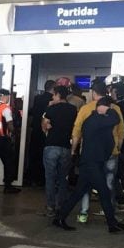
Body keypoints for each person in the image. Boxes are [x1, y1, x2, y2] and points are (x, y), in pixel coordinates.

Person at [53, 97, 124, 233]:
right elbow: (115, 119)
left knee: (78, 192)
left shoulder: (96, 120)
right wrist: (109, 109)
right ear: (102, 108)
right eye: (108, 108)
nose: (110, 111)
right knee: (104, 192)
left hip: (92, 162)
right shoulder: (96, 120)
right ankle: (112, 224)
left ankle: (59, 218)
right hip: (92, 163)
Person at [71, 79, 124, 223]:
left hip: (90, 153)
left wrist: (73, 150)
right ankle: (109, 214)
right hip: (110, 152)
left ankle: (83, 213)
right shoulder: (115, 109)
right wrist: (118, 147)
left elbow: (76, 131)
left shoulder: (86, 109)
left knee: (86, 185)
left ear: (94, 93)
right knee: (109, 183)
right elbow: (121, 131)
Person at [41, 85, 77, 217]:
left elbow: (44, 127)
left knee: (50, 177)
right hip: (66, 147)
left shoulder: (51, 108)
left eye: (54, 95)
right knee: (63, 178)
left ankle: (50, 206)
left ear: (58, 95)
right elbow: (75, 128)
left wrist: (47, 125)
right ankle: (61, 205)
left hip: (51, 145)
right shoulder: (73, 110)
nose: (52, 97)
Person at [28, 80, 56, 186]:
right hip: (46, 131)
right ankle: (42, 179)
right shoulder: (52, 100)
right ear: (53, 89)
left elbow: (33, 112)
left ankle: (32, 178)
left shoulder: (37, 98)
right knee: (44, 156)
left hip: (35, 130)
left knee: (34, 154)